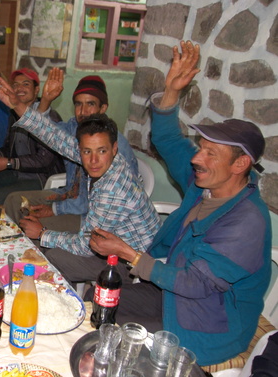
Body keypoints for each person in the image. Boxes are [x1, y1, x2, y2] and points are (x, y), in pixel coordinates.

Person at [88, 41, 271, 366]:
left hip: (206, 322)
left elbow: (196, 284)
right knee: (98, 298)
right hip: (172, 293)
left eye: (210, 153)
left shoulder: (247, 222)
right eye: (200, 147)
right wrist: (171, 92)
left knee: (117, 340)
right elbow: (169, 139)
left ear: (240, 165)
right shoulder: (206, 183)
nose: (196, 158)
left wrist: (129, 252)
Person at [0, 75, 161, 285]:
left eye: (101, 151)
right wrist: (17, 105)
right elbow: (55, 137)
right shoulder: (109, 160)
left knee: (54, 256)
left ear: (115, 149)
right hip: (106, 242)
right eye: (87, 151)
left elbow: (86, 244)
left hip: (130, 264)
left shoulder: (112, 187)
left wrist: (43, 233)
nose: (93, 160)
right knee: (44, 244)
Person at [3, 70, 139, 236]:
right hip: (69, 195)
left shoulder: (111, 145)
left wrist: (54, 209)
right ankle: (11, 249)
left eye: (90, 104)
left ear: (103, 108)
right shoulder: (74, 126)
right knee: (14, 201)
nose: (83, 111)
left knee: (34, 224)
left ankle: (36, 255)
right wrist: (45, 100)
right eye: (78, 104)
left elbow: (94, 202)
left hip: (91, 215)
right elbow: (45, 133)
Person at [0, 68, 65, 205]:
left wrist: (8, 163)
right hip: (16, 172)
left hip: (40, 178)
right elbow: (8, 146)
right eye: (15, 85)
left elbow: (45, 160)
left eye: (26, 84)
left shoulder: (49, 116)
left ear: (36, 90)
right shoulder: (14, 114)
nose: (19, 88)